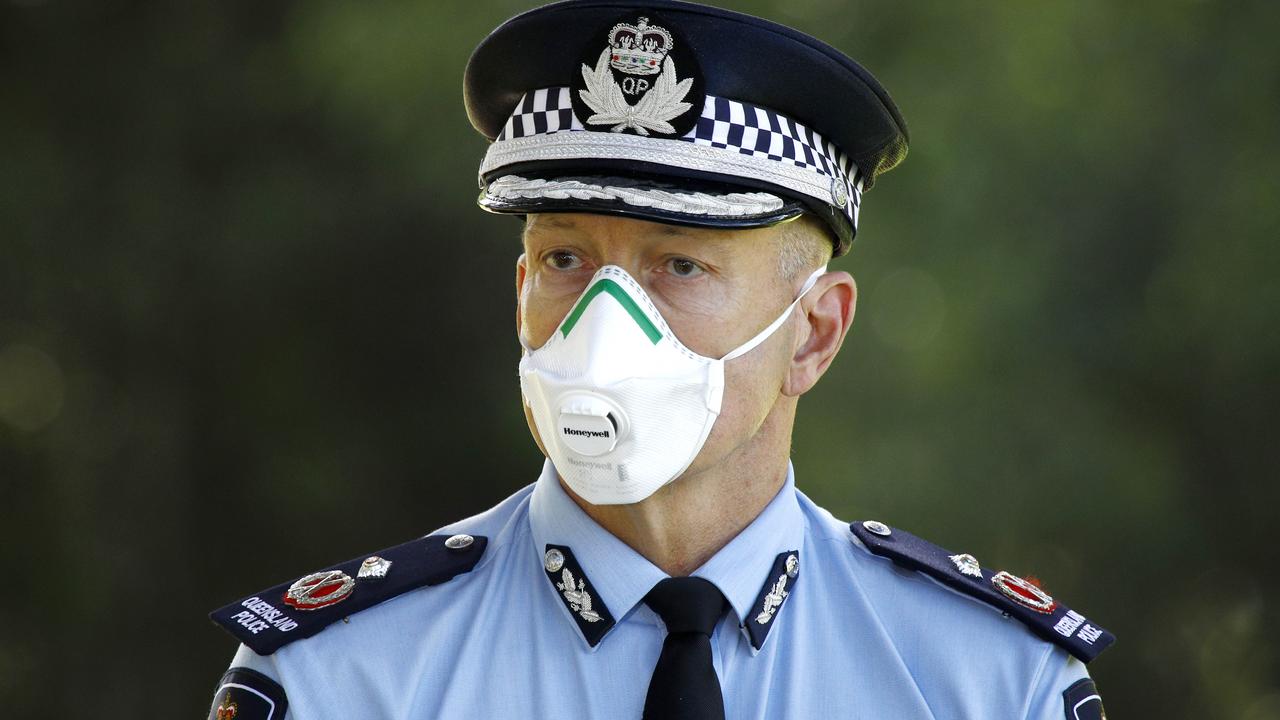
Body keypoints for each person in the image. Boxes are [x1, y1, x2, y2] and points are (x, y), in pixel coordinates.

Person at [207, 1, 1113, 718]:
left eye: (680, 263)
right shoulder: (342, 682)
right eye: (565, 259)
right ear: (519, 289)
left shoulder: (988, 685)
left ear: (815, 333)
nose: (605, 318)